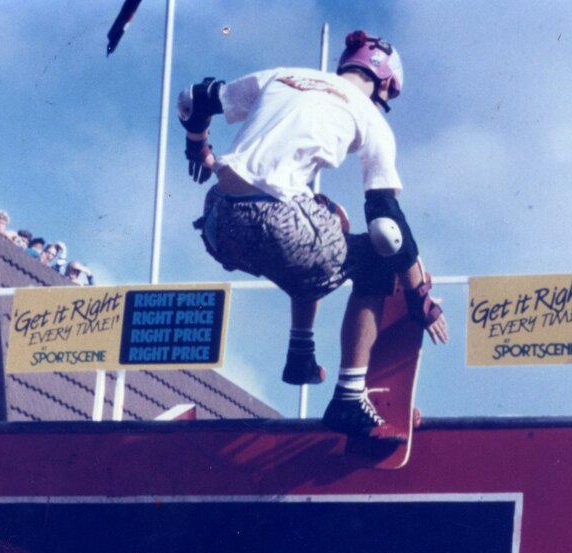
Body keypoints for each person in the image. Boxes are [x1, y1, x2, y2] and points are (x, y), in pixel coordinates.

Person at [177, 29, 448, 447]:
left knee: (324, 217)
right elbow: (387, 222)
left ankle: (300, 354)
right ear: (384, 83)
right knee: (371, 252)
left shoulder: (284, 75)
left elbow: (194, 98)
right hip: (275, 224)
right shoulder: (370, 117)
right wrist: (420, 297)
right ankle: (349, 396)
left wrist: (198, 147)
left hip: (217, 220)